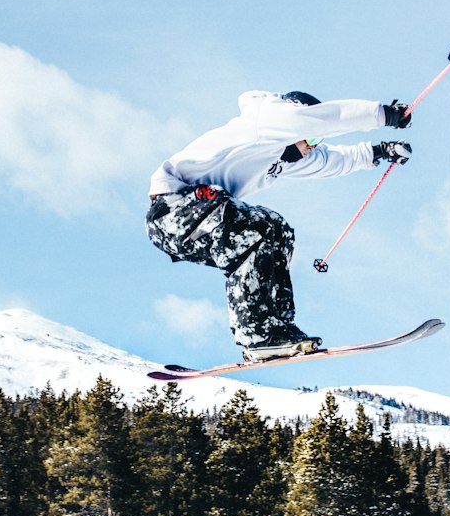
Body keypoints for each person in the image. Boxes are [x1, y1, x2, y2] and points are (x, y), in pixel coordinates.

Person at [146, 89, 412, 360]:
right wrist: (383, 115)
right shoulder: (267, 119)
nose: (313, 145)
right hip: (174, 208)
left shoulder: (277, 159)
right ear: (297, 118)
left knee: (277, 230)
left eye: (317, 140)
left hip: (197, 220)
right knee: (258, 230)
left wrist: (379, 151)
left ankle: (277, 329)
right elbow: (325, 118)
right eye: (310, 137)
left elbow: (329, 161)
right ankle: (256, 334)